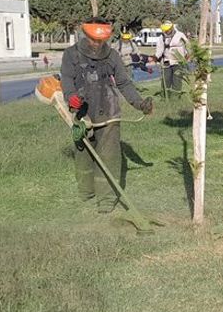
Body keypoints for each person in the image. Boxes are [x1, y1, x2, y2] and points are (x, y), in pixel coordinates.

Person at [60, 17, 155, 213]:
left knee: (109, 156)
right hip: (82, 113)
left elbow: (124, 83)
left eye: (100, 41)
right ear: (85, 35)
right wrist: (71, 98)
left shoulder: (112, 55)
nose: (97, 44)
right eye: (93, 40)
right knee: (83, 153)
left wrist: (139, 103)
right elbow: (67, 80)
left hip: (109, 110)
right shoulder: (71, 55)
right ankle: (86, 191)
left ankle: (106, 199)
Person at [155, 20, 189, 93]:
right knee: (165, 81)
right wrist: (156, 59)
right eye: (165, 30)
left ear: (172, 28)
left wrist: (187, 56)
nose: (166, 31)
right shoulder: (162, 37)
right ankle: (165, 97)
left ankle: (176, 97)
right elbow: (159, 49)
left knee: (177, 81)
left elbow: (187, 46)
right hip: (167, 62)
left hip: (178, 62)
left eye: (168, 29)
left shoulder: (180, 35)